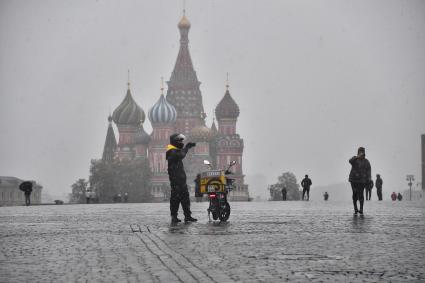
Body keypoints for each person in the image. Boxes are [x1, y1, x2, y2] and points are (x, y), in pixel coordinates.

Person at [166, 133, 197, 223]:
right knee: (176, 198)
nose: (181, 142)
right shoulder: (171, 150)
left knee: (184, 198)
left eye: (181, 140)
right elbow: (181, 155)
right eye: (179, 140)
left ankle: (187, 216)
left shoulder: (173, 149)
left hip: (180, 180)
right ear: (174, 141)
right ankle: (175, 216)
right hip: (176, 180)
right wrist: (187, 147)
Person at [348, 147, 371, 215]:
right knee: (355, 193)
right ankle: (355, 208)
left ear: (364, 152)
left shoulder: (366, 161)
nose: (361, 153)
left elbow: (369, 170)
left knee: (361, 194)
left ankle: (361, 209)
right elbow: (350, 161)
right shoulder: (355, 159)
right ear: (358, 152)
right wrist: (357, 157)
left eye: (362, 151)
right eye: (360, 151)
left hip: (362, 180)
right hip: (353, 180)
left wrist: (369, 178)